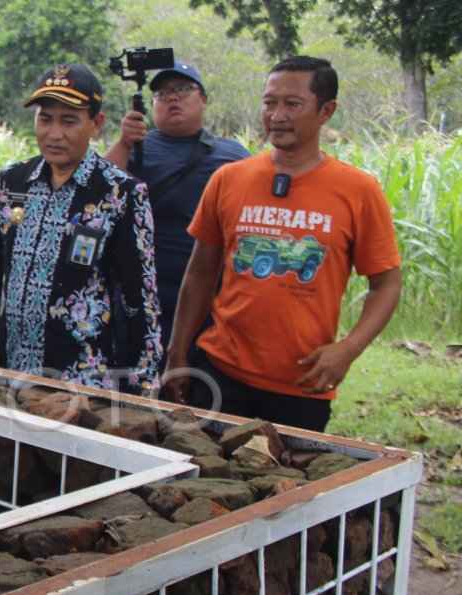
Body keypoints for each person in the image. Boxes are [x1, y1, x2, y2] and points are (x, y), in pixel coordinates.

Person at [165, 57, 401, 432]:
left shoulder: (358, 191)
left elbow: (386, 284)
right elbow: (200, 272)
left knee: (286, 485)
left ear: (326, 111)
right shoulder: (229, 179)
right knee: (210, 482)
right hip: (219, 372)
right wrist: (178, 353)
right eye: (269, 102)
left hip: (304, 383)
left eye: (292, 104)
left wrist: (348, 349)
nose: (276, 115)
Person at [0, 63, 162, 393]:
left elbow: (140, 300)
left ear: (95, 124)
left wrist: (143, 387)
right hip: (10, 372)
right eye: (45, 119)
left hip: (82, 383)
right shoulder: (13, 183)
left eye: (68, 120)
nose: (54, 133)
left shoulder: (120, 193)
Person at [105, 61, 249, 346]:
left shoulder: (232, 155)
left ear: (203, 99)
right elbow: (97, 196)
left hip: (207, 297)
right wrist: (124, 142)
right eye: (162, 93)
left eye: (183, 89)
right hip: (139, 293)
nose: (172, 97)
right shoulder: (135, 147)